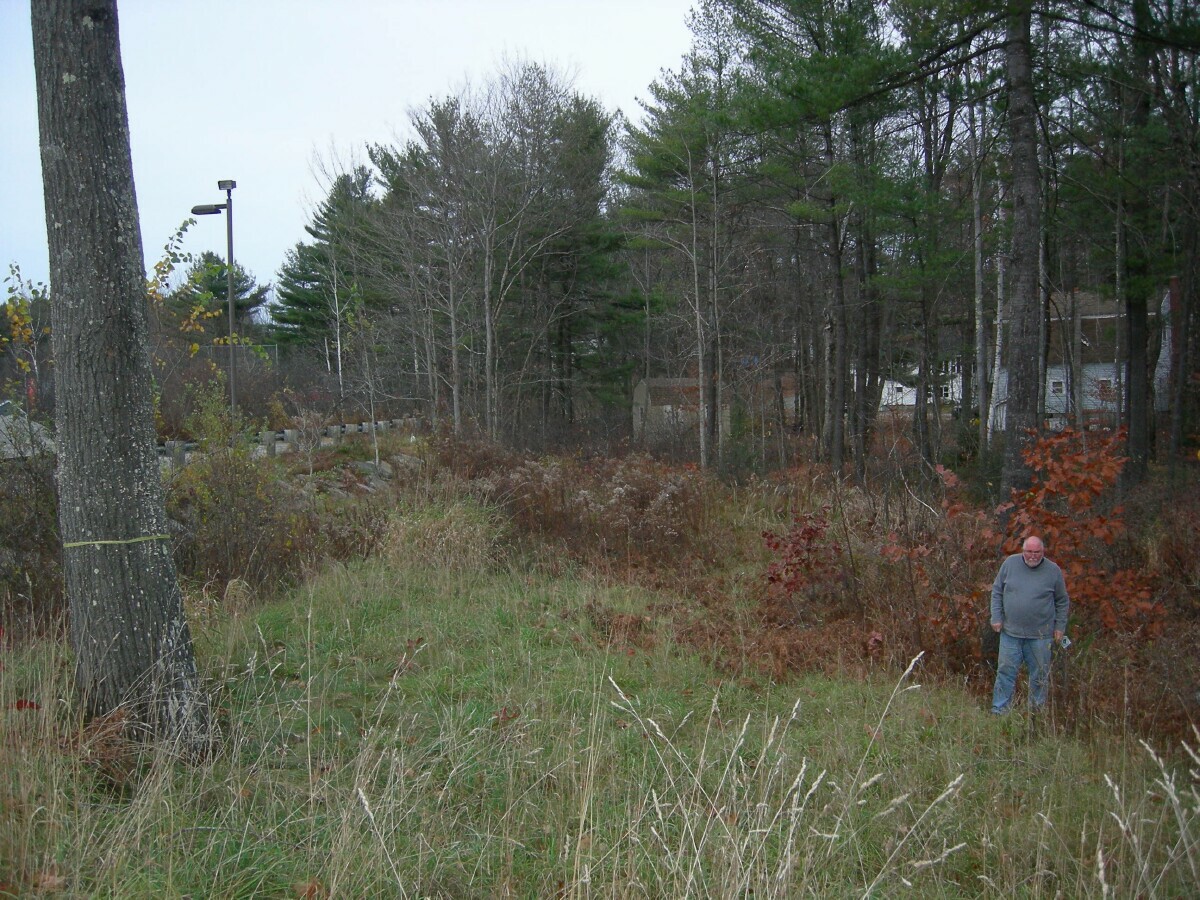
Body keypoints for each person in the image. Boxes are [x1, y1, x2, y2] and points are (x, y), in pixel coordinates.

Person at [989, 535, 1069, 714]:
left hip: (1041, 636)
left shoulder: (1053, 570)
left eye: (1037, 552)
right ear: (1023, 551)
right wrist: (996, 616)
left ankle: (1036, 713)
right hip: (1010, 633)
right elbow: (997, 591)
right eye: (1029, 552)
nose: (1033, 556)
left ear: (1043, 552)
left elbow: (1062, 601)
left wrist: (1060, 627)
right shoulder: (1010, 564)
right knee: (1005, 672)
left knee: (1040, 676)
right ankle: (1000, 710)